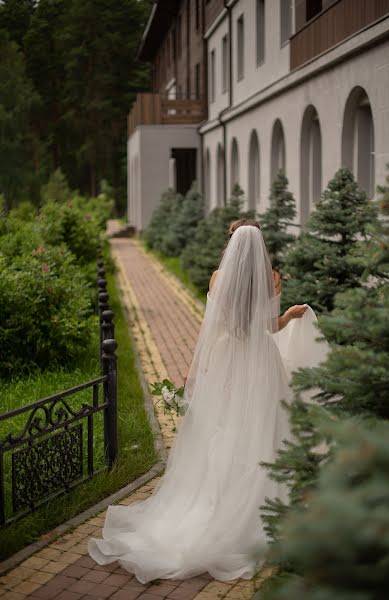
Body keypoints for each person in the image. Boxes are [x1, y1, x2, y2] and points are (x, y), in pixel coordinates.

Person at [88, 224, 328, 583]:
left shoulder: (218, 278)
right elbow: (266, 327)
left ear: (231, 247)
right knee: (263, 426)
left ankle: (220, 495)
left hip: (228, 358)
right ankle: (263, 502)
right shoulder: (269, 279)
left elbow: (213, 327)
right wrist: (289, 316)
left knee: (224, 426)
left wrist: (197, 370)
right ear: (260, 249)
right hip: (261, 361)